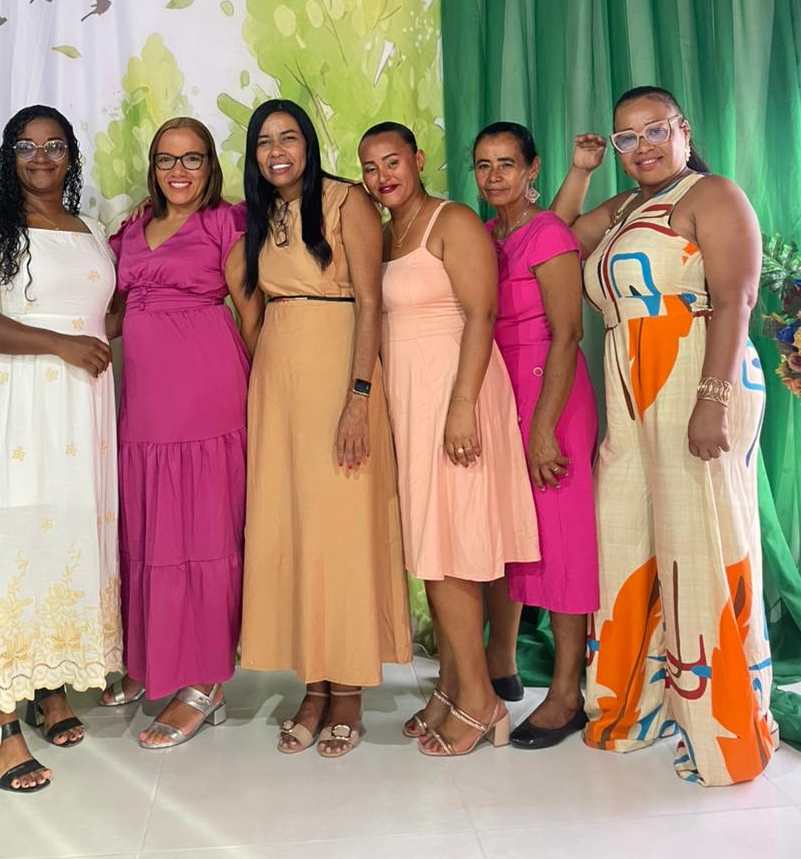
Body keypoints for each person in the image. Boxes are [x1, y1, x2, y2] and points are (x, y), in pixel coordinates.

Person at [553, 85, 776, 786]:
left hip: (698, 372)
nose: (642, 146)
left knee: (697, 543)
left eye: (654, 130)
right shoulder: (622, 208)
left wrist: (712, 400)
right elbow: (552, 241)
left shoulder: (712, 194)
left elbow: (737, 297)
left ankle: (722, 732)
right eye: (627, 138)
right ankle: (636, 708)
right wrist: (582, 171)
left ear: (683, 129)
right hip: (629, 385)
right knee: (623, 543)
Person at [0, 105, 121, 793]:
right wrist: (59, 344)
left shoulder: (91, 232)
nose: (41, 156)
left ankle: (50, 686)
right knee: (13, 543)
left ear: (71, 156)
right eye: (26, 145)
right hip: (19, 408)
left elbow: (101, 314)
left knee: (65, 537)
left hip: (82, 414)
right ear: (9, 157)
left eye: (54, 145)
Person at [359, 122, 539, 757]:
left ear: (418, 159)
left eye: (392, 161)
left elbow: (482, 313)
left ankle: (483, 703)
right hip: (413, 400)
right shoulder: (386, 233)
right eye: (370, 167)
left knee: (454, 547)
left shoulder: (452, 220)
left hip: (457, 394)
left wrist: (462, 405)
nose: (383, 176)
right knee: (433, 547)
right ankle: (453, 686)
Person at [239, 100, 411, 757]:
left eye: (289, 138)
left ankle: (348, 691)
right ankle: (312, 685)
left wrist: (359, 398)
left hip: (340, 376)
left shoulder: (347, 202)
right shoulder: (260, 215)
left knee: (342, 533)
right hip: (279, 386)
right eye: (264, 142)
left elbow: (371, 302)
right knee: (293, 530)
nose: (277, 151)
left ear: (308, 145)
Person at [99, 118, 258, 748]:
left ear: (210, 165)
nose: (179, 171)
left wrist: (271, 396)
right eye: (167, 159)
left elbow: (251, 312)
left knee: (202, 531)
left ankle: (205, 681)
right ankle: (151, 658)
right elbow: (112, 313)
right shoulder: (133, 228)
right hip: (145, 402)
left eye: (192, 158)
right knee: (149, 527)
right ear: (153, 167)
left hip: (206, 395)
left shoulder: (225, 223)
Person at [473, 121, 599, 749]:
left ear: (531, 170)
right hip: (506, 400)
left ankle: (568, 694)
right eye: (483, 165)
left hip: (553, 400)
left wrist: (545, 427)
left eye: (506, 164)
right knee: (515, 538)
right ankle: (501, 662)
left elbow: (568, 333)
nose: (494, 176)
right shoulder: (489, 235)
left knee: (563, 544)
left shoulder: (548, 233)